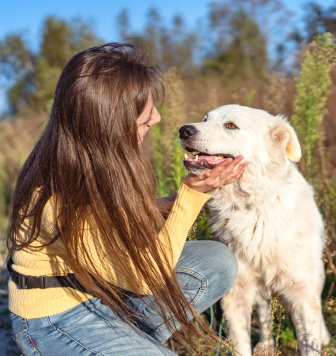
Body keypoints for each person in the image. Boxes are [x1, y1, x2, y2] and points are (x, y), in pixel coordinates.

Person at [6, 42, 248, 355]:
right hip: (53, 317)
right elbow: (147, 279)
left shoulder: (84, 156)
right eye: (146, 113)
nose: (157, 118)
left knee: (215, 262)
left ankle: (122, 340)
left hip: (100, 290)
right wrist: (191, 196)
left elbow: (112, 218)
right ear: (110, 122)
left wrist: (165, 204)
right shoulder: (64, 192)